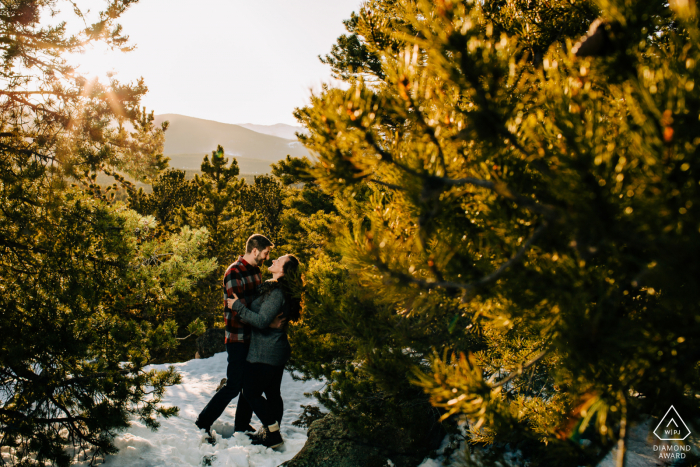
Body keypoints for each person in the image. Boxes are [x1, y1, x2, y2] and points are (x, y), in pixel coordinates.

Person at [195, 234, 282, 440]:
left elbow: (251, 305)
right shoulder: (234, 271)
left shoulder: (256, 271)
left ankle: (242, 426)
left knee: (249, 385)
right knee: (234, 385)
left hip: (253, 338)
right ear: (255, 251)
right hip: (237, 338)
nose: (267, 257)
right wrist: (262, 316)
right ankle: (203, 422)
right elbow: (238, 310)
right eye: (266, 252)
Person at [227, 254, 301, 449]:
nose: (274, 260)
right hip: (273, 349)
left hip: (266, 352)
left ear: (284, 271)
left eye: (279, 261)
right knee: (272, 393)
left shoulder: (277, 292)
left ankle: (272, 432)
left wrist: (237, 307)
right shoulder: (274, 288)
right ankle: (268, 432)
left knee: (250, 392)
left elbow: (261, 321)